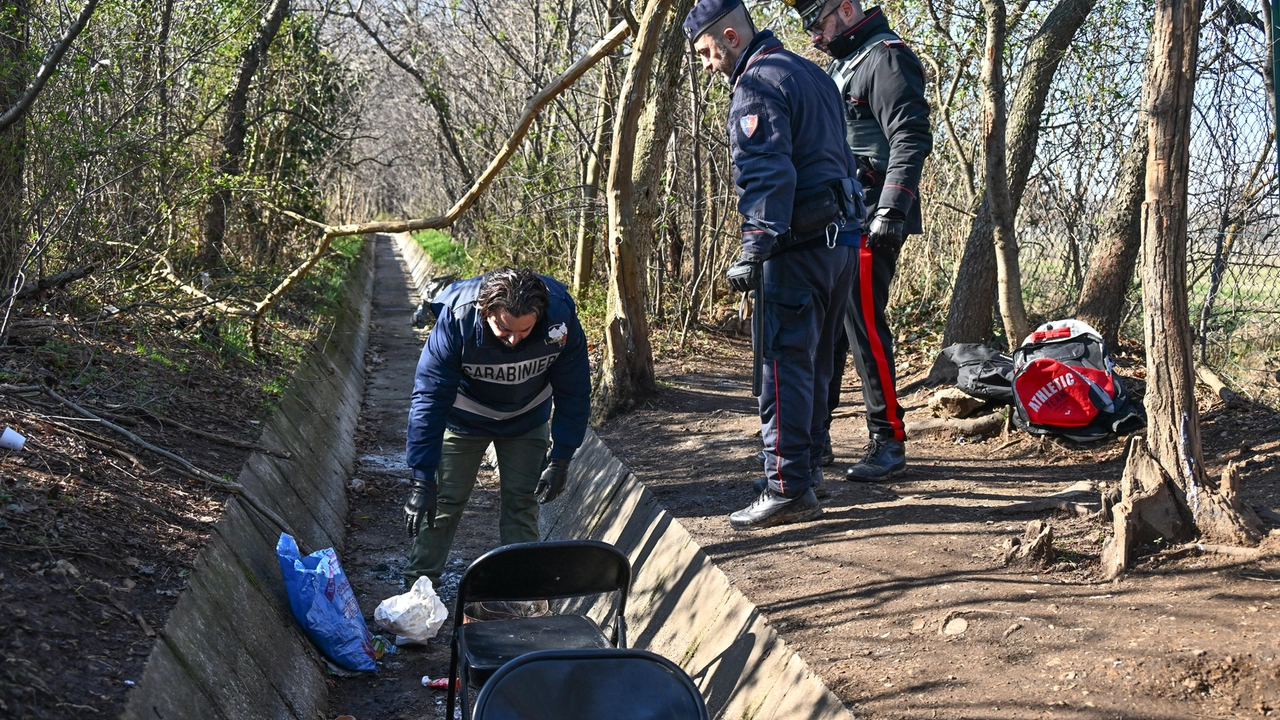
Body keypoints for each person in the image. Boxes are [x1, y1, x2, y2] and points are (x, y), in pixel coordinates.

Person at [685, 0, 864, 529]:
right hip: (842, 244)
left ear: (731, 37)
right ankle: (807, 472)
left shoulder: (757, 85)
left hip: (800, 246)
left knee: (782, 366)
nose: (707, 64)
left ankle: (786, 486)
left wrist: (754, 246)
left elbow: (767, 171)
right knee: (817, 362)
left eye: (705, 52)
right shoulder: (810, 72)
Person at [794, 0, 933, 481]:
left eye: (817, 23)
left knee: (864, 328)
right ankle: (816, 437)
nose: (813, 36)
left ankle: (888, 441)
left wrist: (893, 207)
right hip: (837, 217)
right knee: (828, 330)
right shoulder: (843, 64)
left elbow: (910, 135)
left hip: (873, 215)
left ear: (847, 9)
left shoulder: (886, 57)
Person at [401, 267, 590, 587]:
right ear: (485, 312)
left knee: (523, 503)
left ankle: (517, 593)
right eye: (504, 329)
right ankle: (417, 591)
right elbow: (429, 399)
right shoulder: (457, 320)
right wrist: (421, 479)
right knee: (443, 503)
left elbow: (574, 390)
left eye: (525, 330)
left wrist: (561, 458)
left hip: (527, 420)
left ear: (539, 315)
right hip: (464, 420)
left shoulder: (559, 319)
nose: (515, 339)